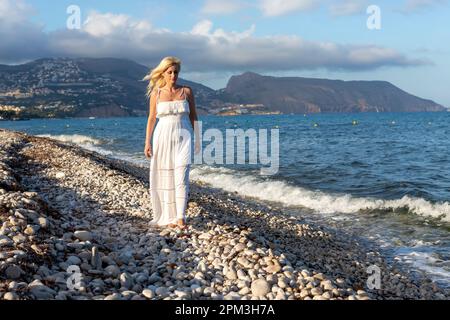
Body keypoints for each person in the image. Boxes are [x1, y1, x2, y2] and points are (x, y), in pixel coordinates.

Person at [143, 56, 200, 229]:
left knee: (182, 176)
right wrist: (147, 142)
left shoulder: (187, 91)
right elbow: (152, 118)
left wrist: (198, 138)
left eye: (176, 72)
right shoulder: (157, 93)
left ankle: (180, 217)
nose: (173, 75)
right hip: (163, 136)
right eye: (170, 72)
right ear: (163, 73)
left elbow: (194, 116)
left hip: (185, 136)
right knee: (166, 176)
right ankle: (168, 216)